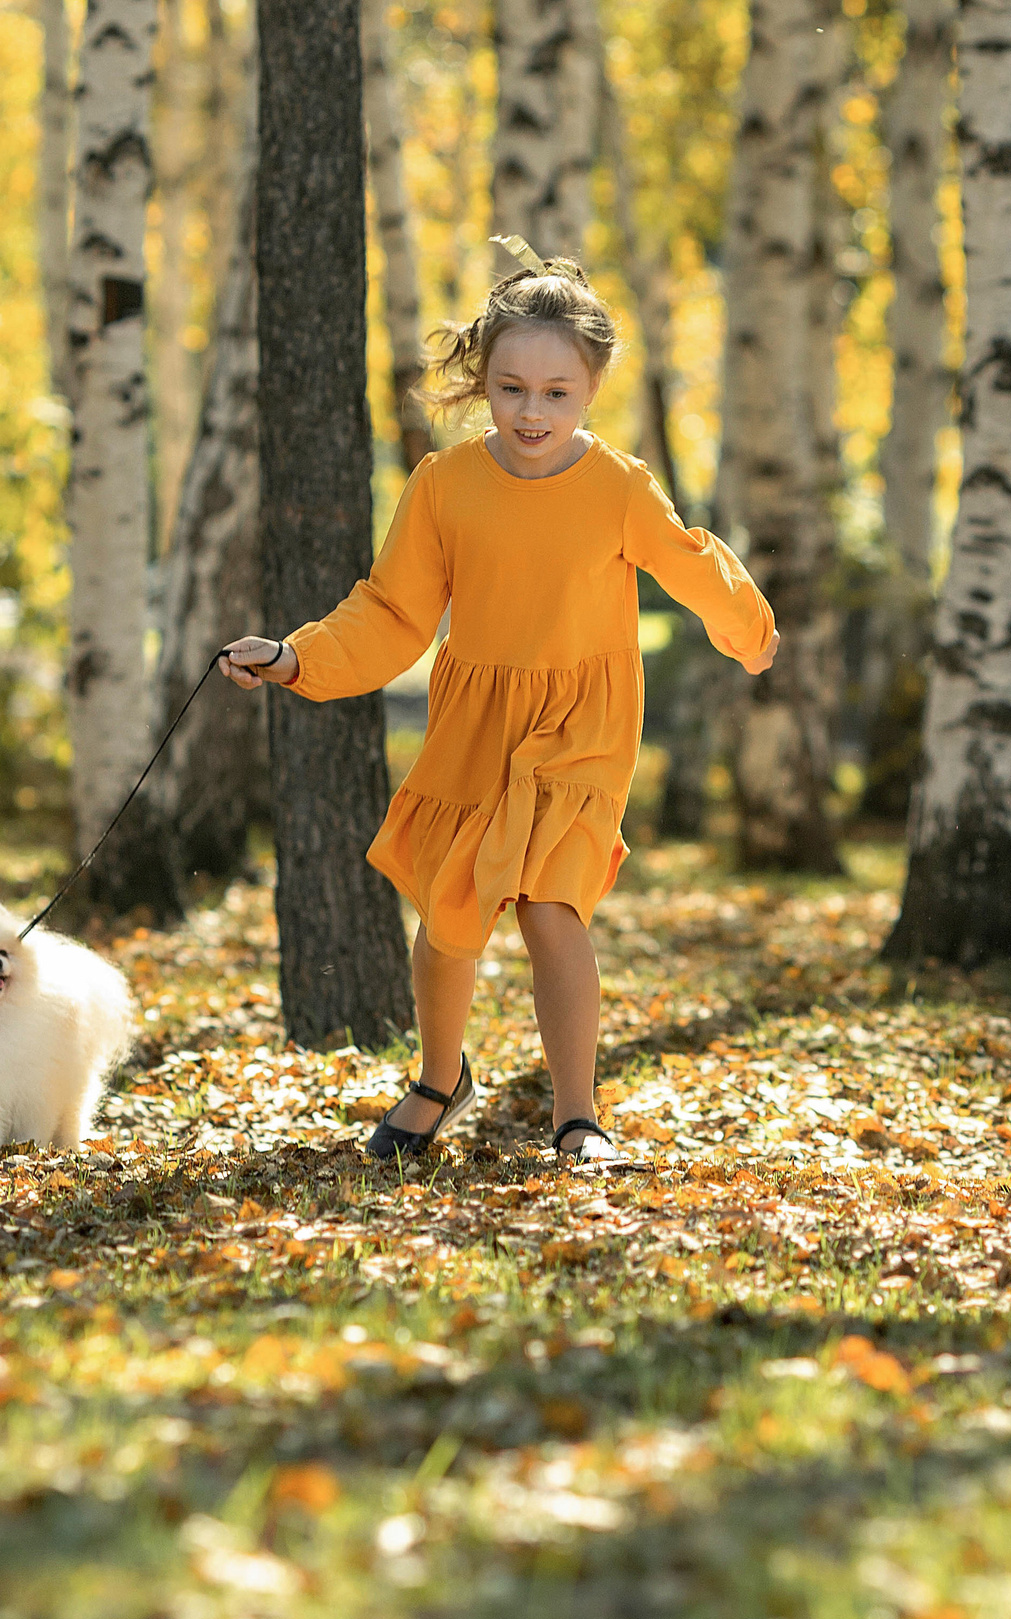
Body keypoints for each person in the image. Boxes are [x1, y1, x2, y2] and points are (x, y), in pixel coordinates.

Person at [221, 246, 778, 1164]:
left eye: (557, 392)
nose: (532, 411)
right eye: (513, 388)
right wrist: (294, 658)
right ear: (483, 381)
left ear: (592, 386)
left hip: (583, 725)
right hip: (476, 720)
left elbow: (689, 561)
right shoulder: (444, 486)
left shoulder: (620, 487)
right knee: (449, 915)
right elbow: (394, 610)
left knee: (551, 904)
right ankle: (440, 1078)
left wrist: (748, 629)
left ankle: (577, 1116)